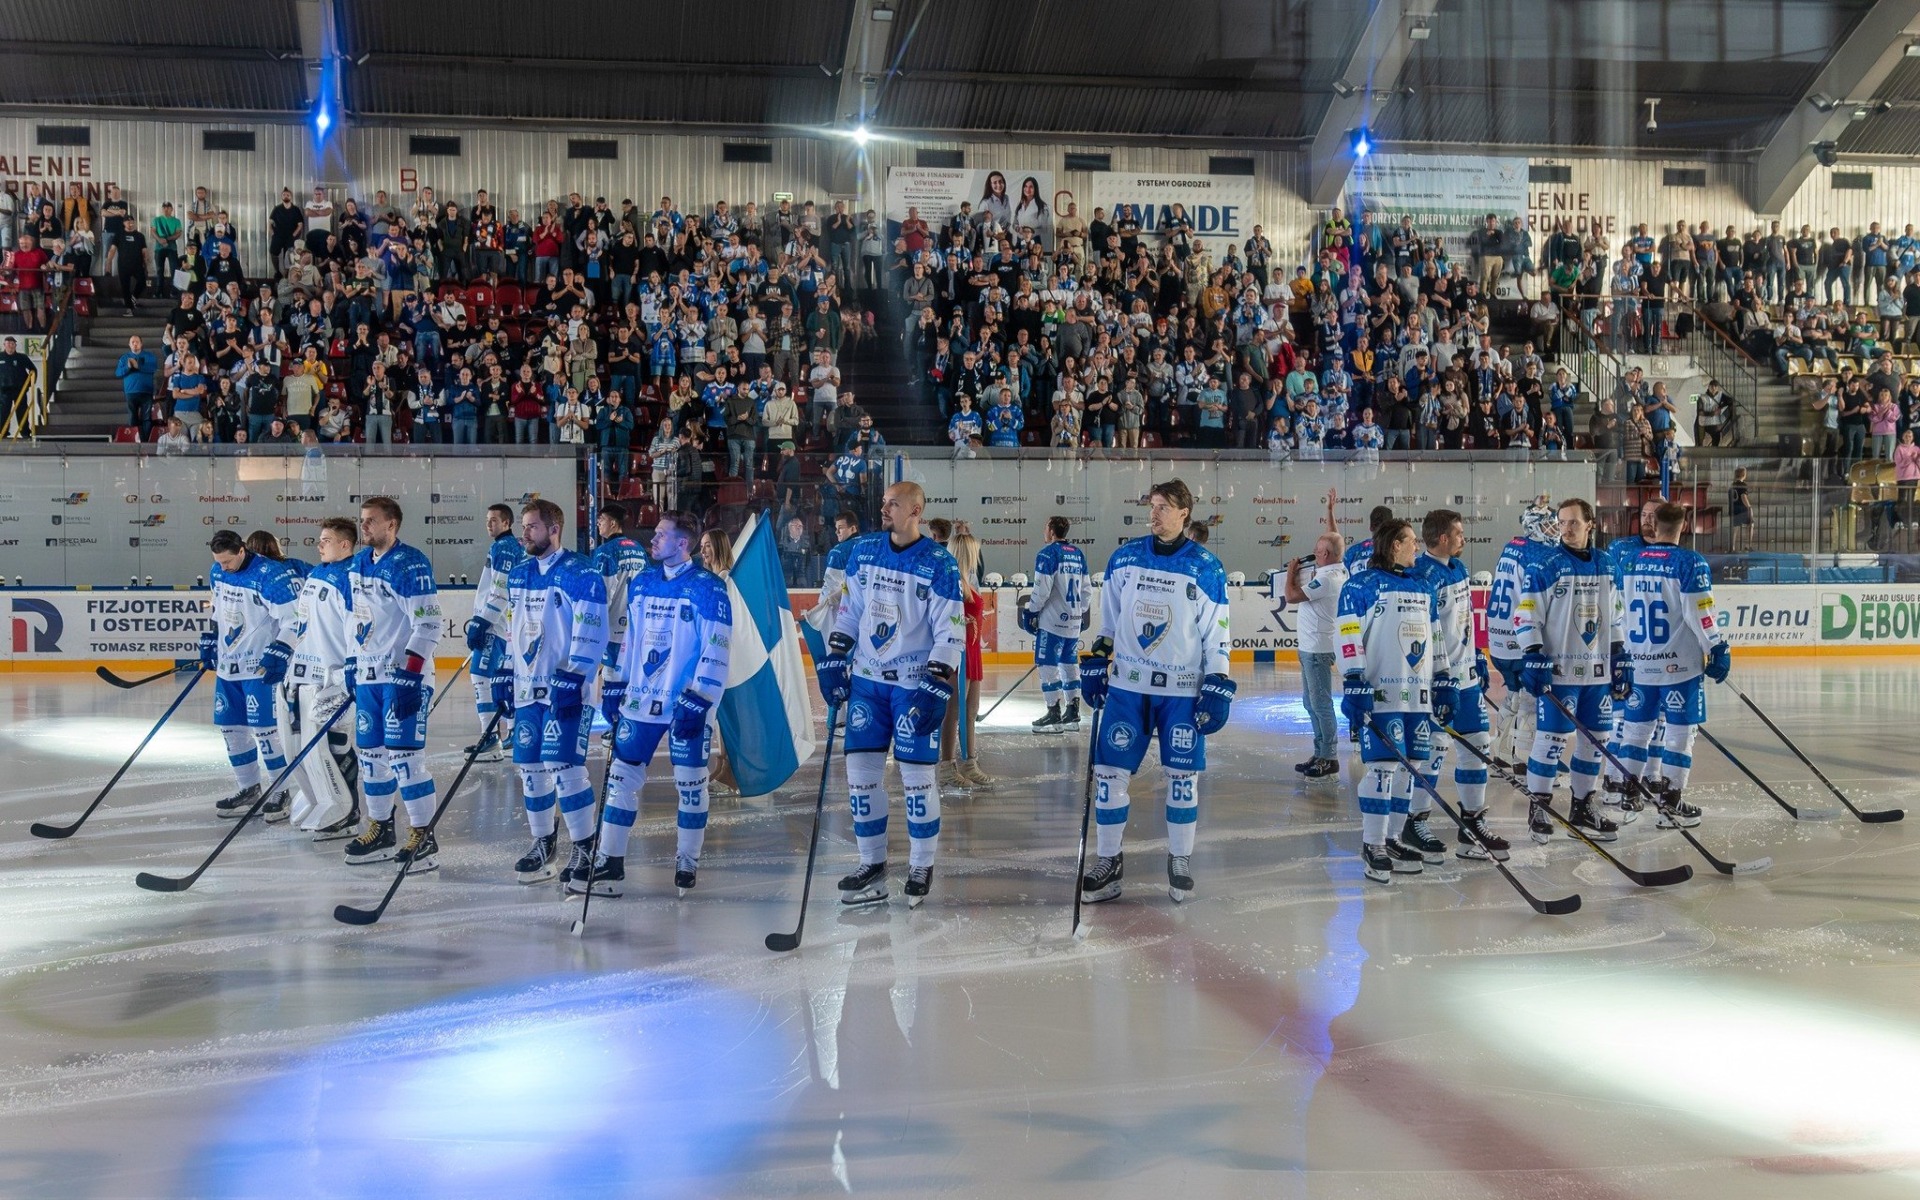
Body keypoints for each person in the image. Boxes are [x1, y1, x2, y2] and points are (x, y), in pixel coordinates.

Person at [1077, 479, 1234, 904]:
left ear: (1185, 512)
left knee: (1182, 779)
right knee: (1109, 776)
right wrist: (1096, 658)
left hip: (1182, 693)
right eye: (1153, 505)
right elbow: (1108, 625)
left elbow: (1216, 636)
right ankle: (1108, 862)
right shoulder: (1124, 559)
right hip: (1127, 688)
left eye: (1164, 507)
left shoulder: (1206, 567)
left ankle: (1179, 859)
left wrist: (1217, 682)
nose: (1155, 513)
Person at [816, 481, 964, 908]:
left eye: (893, 503)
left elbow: (949, 630)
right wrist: (834, 656)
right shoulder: (863, 552)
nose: (884, 508)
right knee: (860, 780)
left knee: (917, 780)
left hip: (912, 686)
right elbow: (850, 612)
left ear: (916, 510)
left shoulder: (940, 563)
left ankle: (921, 864)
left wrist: (938, 683)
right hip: (867, 682)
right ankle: (871, 864)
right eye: (883, 502)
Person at [596, 509, 734, 896]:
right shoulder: (641, 583)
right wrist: (614, 683)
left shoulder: (708, 587)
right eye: (654, 534)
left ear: (683, 544)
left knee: (690, 784)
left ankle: (687, 858)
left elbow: (718, 647)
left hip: (686, 703)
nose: (653, 541)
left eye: (661, 535)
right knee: (621, 779)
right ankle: (610, 860)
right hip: (640, 701)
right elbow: (630, 639)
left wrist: (701, 698)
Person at [483, 500, 610, 886]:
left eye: (533, 527)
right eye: (524, 526)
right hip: (526, 692)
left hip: (566, 692)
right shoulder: (519, 574)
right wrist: (504, 671)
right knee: (531, 772)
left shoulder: (581, 572)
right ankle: (543, 843)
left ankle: (585, 847)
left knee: (566, 771)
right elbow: (511, 626)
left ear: (555, 529)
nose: (525, 534)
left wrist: (574, 676)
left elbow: (593, 629)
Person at [1613, 502, 1730, 829]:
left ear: (1655, 525)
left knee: (1636, 731)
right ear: (1684, 525)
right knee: (1680, 735)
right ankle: (1670, 801)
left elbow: (1619, 611)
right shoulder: (1689, 562)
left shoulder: (1632, 560)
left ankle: (1629, 794)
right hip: (1679, 667)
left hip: (1640, 664)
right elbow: (1700, 612)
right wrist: (1717, 646)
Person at [1336, 519, 1440, 883]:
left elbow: (1436, 637)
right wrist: (1353, 679)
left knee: (1411, 766)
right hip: (1381, 695)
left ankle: (1393, 838)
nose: (1417, 547)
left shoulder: (1425, 587)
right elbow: (1349, 634)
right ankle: (1373, 843)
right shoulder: (1360, 585)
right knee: (1382, 768)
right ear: (1394, 545)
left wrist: (1443, 679)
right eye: (1411, 541)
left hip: (1419, 696)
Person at [343, 497, 444, 869]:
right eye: (362, 520)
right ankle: (381, 828)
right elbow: (355, 617)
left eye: (371, 521)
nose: (364, 526)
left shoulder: (410, 563)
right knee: (371, 759)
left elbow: (429, 623)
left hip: (404, 678)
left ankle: (423, 835)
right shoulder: (357, 562)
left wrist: (411, 673)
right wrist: (352, 661)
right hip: (369, 677)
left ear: (392, 525)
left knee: (405, 760)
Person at [1513, 497, 1622, 843]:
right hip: (1560, 674)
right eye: (1562, 522)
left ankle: (1582, 805)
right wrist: (1532, 653)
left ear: (1591, 524)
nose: (1566, 528)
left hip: (1598, 674)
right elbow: (1525, 615)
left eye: (1574, 522)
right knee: (1551, 741)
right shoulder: (1546, 564)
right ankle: (1539, 807)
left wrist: (1622, 657)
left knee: (1596, 742)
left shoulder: (1607, 564)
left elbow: (1616, 616)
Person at [1406, 508, 1507, 861]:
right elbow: (1423, 634)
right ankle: (1414, 821)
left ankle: (1472, 823)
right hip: (1437, 681)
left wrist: (1478, 653)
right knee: (1433, 750)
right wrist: (1439, 676)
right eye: (1459, 533)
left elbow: (1463, 621)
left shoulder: (1460, 568)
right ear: (1444, 538)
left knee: (1478, 743)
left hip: (1465, 678)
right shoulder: (1421, 576)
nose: (1464, 538)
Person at [200, 529, 300, 822]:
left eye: (228, 561)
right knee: (232, 732)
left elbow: (293, 620)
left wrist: (280, 650)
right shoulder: (218, 572)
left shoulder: (271, 574)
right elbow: (219, 611)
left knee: (266, 733)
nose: (223, 567)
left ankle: (281, 791)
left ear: (242, 550)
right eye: (218, 561)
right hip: (228, 668)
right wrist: (211, 637)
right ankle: (249, 789)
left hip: (259, 668)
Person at [286, 516, 361, 838]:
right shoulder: (318, 573)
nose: (319, 545)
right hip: (307, 672)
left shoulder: (354, 577)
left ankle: (348, 811)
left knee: (336, 742)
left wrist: (350, 670)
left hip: (336, 675)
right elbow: (302, 623)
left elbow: (359, 628)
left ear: (345, 544)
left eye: (326, 540)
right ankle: (321, 796)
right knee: (306, 745)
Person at [1486, 500, 1556, 770]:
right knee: (1530, 700)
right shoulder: (1537, 555)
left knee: (1514, 695)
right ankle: (1524, 759)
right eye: (1547, 525)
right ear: (1532, 527)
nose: (1552, 531)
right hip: (1518, 638)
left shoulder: (1512, 546)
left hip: (1498, 639)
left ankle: (1501, 752)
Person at [1283, 492, 1345, 777]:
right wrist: (1330, 510)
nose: (1314, 552)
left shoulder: (1327, 578)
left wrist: (1291, 572)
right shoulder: (1335, 565)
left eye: (1318, 550)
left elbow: (1293, 596)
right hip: (1311, 646)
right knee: (1311, 702)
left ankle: (1329, 756)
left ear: (1326, 556)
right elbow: (1334, 536)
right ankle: (1320, 751)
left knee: (1320, 703)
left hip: (1318, 648)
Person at [463, 503, 528, 764]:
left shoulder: (504, 548)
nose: (489, 524)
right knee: (496, 679)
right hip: (501, 624)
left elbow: (500, 591)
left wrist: (482, 620)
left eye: (494, 520)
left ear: (507, 523)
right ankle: (506, 732)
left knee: (481, 676)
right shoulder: (507, 546)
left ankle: (490, 738)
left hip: (495, 625)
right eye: (487, 520)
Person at [1023, 516, 1089, 733]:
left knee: (1048, 666)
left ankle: (1053, 713)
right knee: (1070, 666)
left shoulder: (1047, 554)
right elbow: (1086, 591)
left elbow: (1041, 590)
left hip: (1052, 622)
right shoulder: (1078, 554)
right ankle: (1072, 713)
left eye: (1045, 526)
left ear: (1051, 531)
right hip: (1073, 621)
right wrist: (1077, 612)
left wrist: (1031, 611)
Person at [942, 531, 992, 789]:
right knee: (953, 711)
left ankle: (969, 762)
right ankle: (946, 765)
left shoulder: (966, 580)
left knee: (971, 710)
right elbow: (945, 616)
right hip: (959, 653)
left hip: (972, 651)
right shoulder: (953, 581)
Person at [115, 335, 159, 441]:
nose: (135, 343)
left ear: (141, 343)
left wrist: (138, 366)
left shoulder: (149, 356)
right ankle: (133, 440)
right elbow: (118, 373)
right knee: (132, 417)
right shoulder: (124, 358)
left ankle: (146, 441)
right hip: (131, 392)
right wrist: (128, 367)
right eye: (133, 342)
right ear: (129, 344)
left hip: (146, 391)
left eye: (137, 341)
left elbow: (153, 368)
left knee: (147, 418)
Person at [1343, 504, 1395, 571]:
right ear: (1391, 528)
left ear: (1371, 527)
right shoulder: (1401, 552)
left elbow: (1344, 578)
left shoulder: (1353, 552)